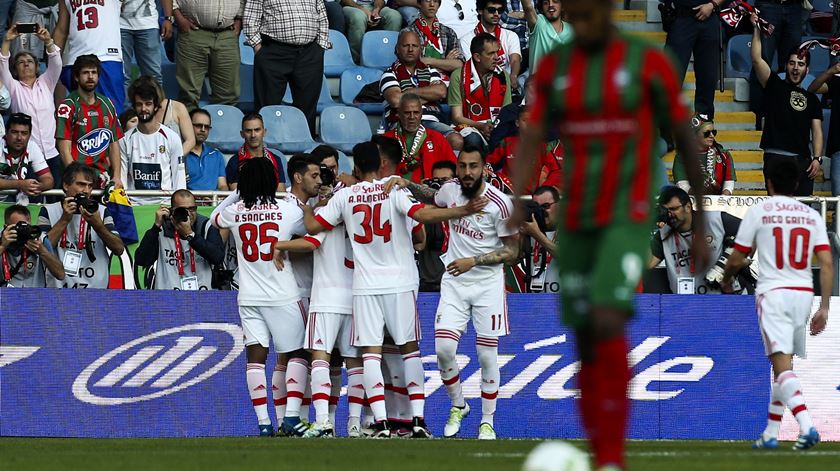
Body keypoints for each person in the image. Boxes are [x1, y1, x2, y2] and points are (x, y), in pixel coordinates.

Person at [515, 0, 708, 468]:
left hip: (628, 212)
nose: (580, 22)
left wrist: (700, 219)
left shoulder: (646, 63)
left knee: (606, 318)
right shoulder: (557, 66)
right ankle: (600, 445)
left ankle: (609, 459)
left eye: (587, 12)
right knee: (584, 336)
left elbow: (684, 134)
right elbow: (533, 133)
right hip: (578, 215)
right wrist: (518, 197)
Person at [305, 140, 488, 438]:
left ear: (357, 167)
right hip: (402, 281)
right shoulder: (395, 189)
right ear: (379, 164)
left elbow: (314, 228)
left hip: (365, 285)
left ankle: (382, 423)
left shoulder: (346, 196)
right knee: (409, 350)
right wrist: (461, 211)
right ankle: (417, 420)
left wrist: (310, 206)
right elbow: (423, 216)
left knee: (370, 355)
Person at [385, 144, 518, 439]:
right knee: (444, 350)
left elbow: (512, 251)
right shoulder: (451, 189)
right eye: (462, 166)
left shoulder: (501, 204)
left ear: (484, 168)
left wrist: (476, 260)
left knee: (486, 356)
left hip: (487, 285)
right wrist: (406, 183)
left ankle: (487, 421)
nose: (467, 173)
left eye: (473, 166)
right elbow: (432, 196)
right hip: (455, 282)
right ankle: (459, 404)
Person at [720, 158, 831, 451]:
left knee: (780, 365)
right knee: (784, 365)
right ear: (796, 184)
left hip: (773, 293)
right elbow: (828, 264)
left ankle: (807, 427)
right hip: (803, 294)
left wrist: (726, 278)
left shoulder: (760, 211)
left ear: (768, 183)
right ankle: (771, 433)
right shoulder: (811, 216)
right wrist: (825, 307)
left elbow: (736, 256)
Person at [210, 157, 309, 437]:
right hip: (283, 293)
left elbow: (216, 215)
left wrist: (236, 194)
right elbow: (310, 233)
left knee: (255, 358)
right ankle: (290, 417)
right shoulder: (287, 210)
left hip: (248, 295)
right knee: (296, 353)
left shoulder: (236, 212)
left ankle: (264, 423)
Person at [271, 163, 363, 439]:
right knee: (353, 362)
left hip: (325, 297)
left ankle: (323, 421)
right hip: (356, 295)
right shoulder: (355, 210)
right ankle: (355, 425)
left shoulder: (327, 212)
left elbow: (312, 242)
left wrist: (281, 245)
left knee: (320, 359)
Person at [750, 14, 823, 197]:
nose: (796, 68)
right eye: (792, 63)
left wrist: (817, 158)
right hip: (776, 157)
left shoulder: (812, 99)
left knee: (802, 209)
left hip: (802, 161)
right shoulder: (773, 84)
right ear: (786, 65)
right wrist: (757, 29)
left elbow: (817, 131)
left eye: (801, 64)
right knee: (778, 209)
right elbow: (757, 59)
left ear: (807, 70)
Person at [244, 0, 329, 136]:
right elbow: (250, 16)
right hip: (273, 51)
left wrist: (321, 46)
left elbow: (322, 16)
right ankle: (265, 149)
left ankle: (304, 149)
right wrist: (257, 47)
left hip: (309, 52)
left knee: (307, 105)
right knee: (267, 105)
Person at [38, 163, 126, 289]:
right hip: (58, 292)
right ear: (66, 185)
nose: (86, 190)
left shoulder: (101, 211)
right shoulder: (48, 210)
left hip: (95, 292)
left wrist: (98, 225)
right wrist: (64, 220)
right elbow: (42, 250)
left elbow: (119, 249)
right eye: (81, 184)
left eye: (90, 186)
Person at [649, 186, 743, 295]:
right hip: (684, 305)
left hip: (719, 301)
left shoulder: (715, 220)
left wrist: (727, 264)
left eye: (674, 209)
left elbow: (751, 233)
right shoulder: (663, 233)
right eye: (665, 210)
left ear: (688, 207)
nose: (669, 214)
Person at [1, 24, 63, 185]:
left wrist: (48, 41)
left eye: (30, 61)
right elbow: (2, 64)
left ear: (37, 67)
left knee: (54, 199)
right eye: (21, 62)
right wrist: (7, 40)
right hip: (27, 155)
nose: (26, 64)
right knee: (31, 200)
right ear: (15, 69)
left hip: (52, 153)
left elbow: (56, 63)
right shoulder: (13, 87)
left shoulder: (47, 82)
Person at [380, 31, 459, 148]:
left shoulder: (431, 70)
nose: (410, 49)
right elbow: (396, 100)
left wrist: (408, 94)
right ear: (397, 49)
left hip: (432, 121)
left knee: (456, 140)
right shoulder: (389, 73)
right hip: (403, 123)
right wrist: (428, 93)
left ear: (420, 49)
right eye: (406, 45)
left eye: (414, 46)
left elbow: (441, 92)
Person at [55, 54, 123, 189]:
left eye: (94, 72)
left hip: (103, 178)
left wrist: (117, 176)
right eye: (85, 72)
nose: (90, 76)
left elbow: (114, 144)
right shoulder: (68, 106)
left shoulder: (108, 104)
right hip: (77, 179)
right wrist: (75, 179)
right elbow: (64, 149)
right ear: (76, 77)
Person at [135, 189, 225, 290]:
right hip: (168, 299)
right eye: (182, 210)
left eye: (192, 209)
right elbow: (141, 260)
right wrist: (155, 227)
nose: (188, 214)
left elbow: (218, 258)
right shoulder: (162, 228)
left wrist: (190, 235)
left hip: (203, 298)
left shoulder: (206, 226)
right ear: (172, 211)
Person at [119, 81, 185, 204]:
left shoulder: (172, 137)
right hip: (134, 205)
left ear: (155, 107)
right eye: (139, 104)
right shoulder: (125, 139)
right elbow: (122, 179)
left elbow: (179, 179)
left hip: (164, 204)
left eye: (148, 104)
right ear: (134, 107)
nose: (143, 109)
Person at [54, 0, 125, 112]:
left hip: (106, 57)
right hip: (75, 61)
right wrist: (53, 61)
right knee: (81, 118)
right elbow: (61, 30)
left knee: (111, 114)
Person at [173, 0, 243, 110]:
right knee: (188, 95)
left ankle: (223, 125)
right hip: (193, 32)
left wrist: (239, 18)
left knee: (228, 96)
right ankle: (188, 126)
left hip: (227, 33)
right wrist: (178, 18)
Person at [448, 33, 512, 152]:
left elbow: (506, 112)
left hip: (496, 126)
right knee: (473, 139)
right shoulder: (458, 76)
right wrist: (482, 126)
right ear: (477, 57)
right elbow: (457, 117)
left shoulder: (503, 76)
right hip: (469, 126)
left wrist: (494, 129)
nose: (497, 57)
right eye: (491, 53)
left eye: (497, 52)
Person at [664, 0, 725, 119]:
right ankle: (666, 127)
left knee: (707, 77)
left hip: (710, 16)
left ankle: (704, 128)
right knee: (671, 74)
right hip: (681, 16)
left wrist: (712, 4)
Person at [749, 0, 804, 129]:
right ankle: (757, 120)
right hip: (769, 5)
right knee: (762, 62)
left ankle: (788, 116)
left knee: (793, 65)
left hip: (794, 7)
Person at [383, 93, 457, 181]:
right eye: (407, 113)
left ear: (421, 113)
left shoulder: (437, 138)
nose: (412, 117)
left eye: (416, 112)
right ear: (398, 114)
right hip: (396, 192)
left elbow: (454, 170)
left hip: (430, 191)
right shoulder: (386, 140)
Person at [486, 107, 561, 194]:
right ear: (517, 123)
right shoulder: (507, 142)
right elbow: (488, 161)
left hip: (530, 198)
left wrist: (544, 188)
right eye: (525, 120)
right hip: (508, 195)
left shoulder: (543, 147)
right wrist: (493, 176)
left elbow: (556, 171)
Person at [459, 0, 521, 91]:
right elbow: (474, 68)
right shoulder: (466, 40)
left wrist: (513, 76)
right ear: (480, 10)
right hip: (482, 87)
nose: (496, 14)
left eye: (500, 10)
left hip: (508, 85)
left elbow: (515, 60)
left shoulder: (511, 35)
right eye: (491, 10)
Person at [129, 76, 196, 157]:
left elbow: (190, 141)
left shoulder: (177, 107)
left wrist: (174, 159)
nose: (143, 107)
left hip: (175, 164)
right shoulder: (138, 110)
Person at [0, 204, 65, 287]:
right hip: (5, 296)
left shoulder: (40, 240)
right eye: (18, 227)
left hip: (34, 296)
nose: (23, 231)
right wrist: (2, 246)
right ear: (6, 227)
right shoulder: (2, 239)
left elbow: (60, 274)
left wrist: (42, 251)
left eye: (26, 226)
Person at [672, 113, 737, 196]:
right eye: (707, 133)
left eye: (714, 132)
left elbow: (729, 184)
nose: (712, 136)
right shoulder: (682, 157)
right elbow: (683, 185)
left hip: (719, 203)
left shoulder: (724, 155)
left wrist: (720, 200)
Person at [416, 160, 455, 291]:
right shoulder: (423, 210)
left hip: (455, 283)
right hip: (428, 284)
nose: (439, 185)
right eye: (436, 180)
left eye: (444, 180)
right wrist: (420, 193)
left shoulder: (464, 208)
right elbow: (419, 244)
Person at [0, 113, 53, 204]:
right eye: (14, 132)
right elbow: (21, 184)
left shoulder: (32, 147)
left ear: (29, 135)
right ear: (6, 132)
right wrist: (21, 184)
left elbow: (48, 179)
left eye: (24, 133)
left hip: (9, 199)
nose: (19, 138)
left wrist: (38, 186)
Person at [225, 114, 286, 192]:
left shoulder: (276, 159)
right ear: (242, 134)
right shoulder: (234, 162)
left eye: (257, 130)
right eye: (248, 131)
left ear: (264, 132)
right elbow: (236, 193)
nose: (253, 135)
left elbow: (280, 192)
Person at [120, 0, 174, 89]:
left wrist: (168, 19)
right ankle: (125, 103)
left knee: (153, 76)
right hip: (119, 25)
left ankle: (155, 103)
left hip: (148, 25)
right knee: (122, 75)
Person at [405, 0, 465, 75]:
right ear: (419, 4)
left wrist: (429, 61)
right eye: (428, 0)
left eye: (435, 1)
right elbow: (410, 64)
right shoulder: (408, 32)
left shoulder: (448, 32)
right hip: (419, 80)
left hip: (445, 80)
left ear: (439, 5)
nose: (432, 4)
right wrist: (445, 63)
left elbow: (459, 64)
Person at [807, 61, 840, 196]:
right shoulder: (838, 81)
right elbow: (812, 89)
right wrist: (830, 71)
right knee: (839, 201)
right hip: (839, 149)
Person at [519, 185, 558, 293]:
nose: (541, 211)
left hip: (560, 303)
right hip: (534, 303)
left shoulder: (568, 230)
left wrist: (537, 235)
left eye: (546, 206)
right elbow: (511, 260)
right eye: (536, 206)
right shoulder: (528, 231)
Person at [521, 0, 573, 72]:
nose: (550, 5)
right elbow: (528, 8)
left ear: (563, 6)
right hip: (538, 81)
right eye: (546, 3)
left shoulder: (572, 30)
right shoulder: (539, 22)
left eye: (555, 1)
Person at [186, 108, 228, 191]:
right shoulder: (181, 154)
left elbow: (222, 185)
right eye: (198, 125)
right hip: (188, 202)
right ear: (188, 126)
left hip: (213, 202)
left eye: (207, 127)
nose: (203, 129)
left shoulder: (216, 155)